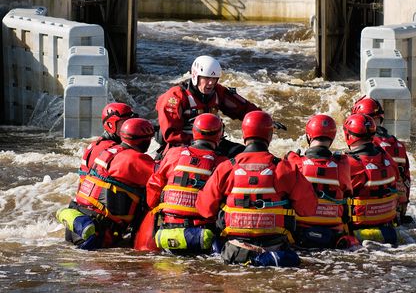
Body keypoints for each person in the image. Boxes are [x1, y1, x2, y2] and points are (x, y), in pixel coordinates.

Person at [196, 111, 317, 266]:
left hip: (235, 253)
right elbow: (308, 208)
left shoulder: (226, 168)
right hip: (276, 254)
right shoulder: (285, 169)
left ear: (244, 135)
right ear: (270, 136)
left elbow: (205, 209)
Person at [154, 55, 286, 158]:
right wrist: (202, 142)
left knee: (247, 155)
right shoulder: (175, 96)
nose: (211, 83)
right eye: (206, 78)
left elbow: (243, 109)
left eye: (215, 79)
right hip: (182, 146)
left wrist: (264, 120)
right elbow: (171, 134)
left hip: (213, 144)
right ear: (195, 76)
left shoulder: (218, 92)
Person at [134, 113, 229, 252]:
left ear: (194, 132)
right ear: (219, 134)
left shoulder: (173, 153)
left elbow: (153, 189)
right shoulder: (223, 163)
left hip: (167, 233)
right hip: (201, 235)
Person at [57, 118, 156, 250]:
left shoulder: (108, 151)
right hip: (99, 234)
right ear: (145, 140)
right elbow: (164, 177)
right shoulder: (135, 159)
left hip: (78, 225)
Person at [286, 114, 354, 249]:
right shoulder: (342, 164)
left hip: (299, 235)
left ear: (309, 136)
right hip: (333, 235)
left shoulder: (295, 160)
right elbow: (348, 191)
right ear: (332, 138)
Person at [351, 96, 412, 225]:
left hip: (372, 214)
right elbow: (406, 179)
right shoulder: (399, 145)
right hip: (395, 211)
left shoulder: (368, 146)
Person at [343, 113, 401, 245]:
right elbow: (397, 179)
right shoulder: (387, 159)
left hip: (357, 231)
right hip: (388, 230)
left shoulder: (348, 163)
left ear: (348, 136)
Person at [78, 102, 136, 179]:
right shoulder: (113, 151)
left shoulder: (95, 145)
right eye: (124, 123)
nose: (129, 127)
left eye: (130, 123)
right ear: (110, 125)